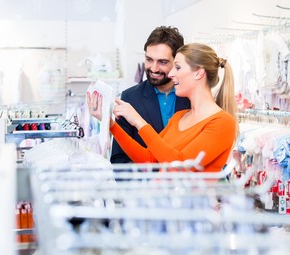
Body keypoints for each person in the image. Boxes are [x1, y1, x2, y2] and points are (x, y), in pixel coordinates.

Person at [88, 43, 238, 172]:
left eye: (177, 68)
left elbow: (179, 166)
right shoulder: (180, 117)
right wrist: (111, 123)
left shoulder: (222, 122)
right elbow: (149, 159)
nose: (171, 74)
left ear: (198, 73)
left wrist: (137, 121)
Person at [110, 26, 191, 163]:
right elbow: (119, 160)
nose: (154, 68)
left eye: (162, 62)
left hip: (184, 182)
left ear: (177, 61)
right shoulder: (130, 98)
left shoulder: (192, 98)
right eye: (149, 60)